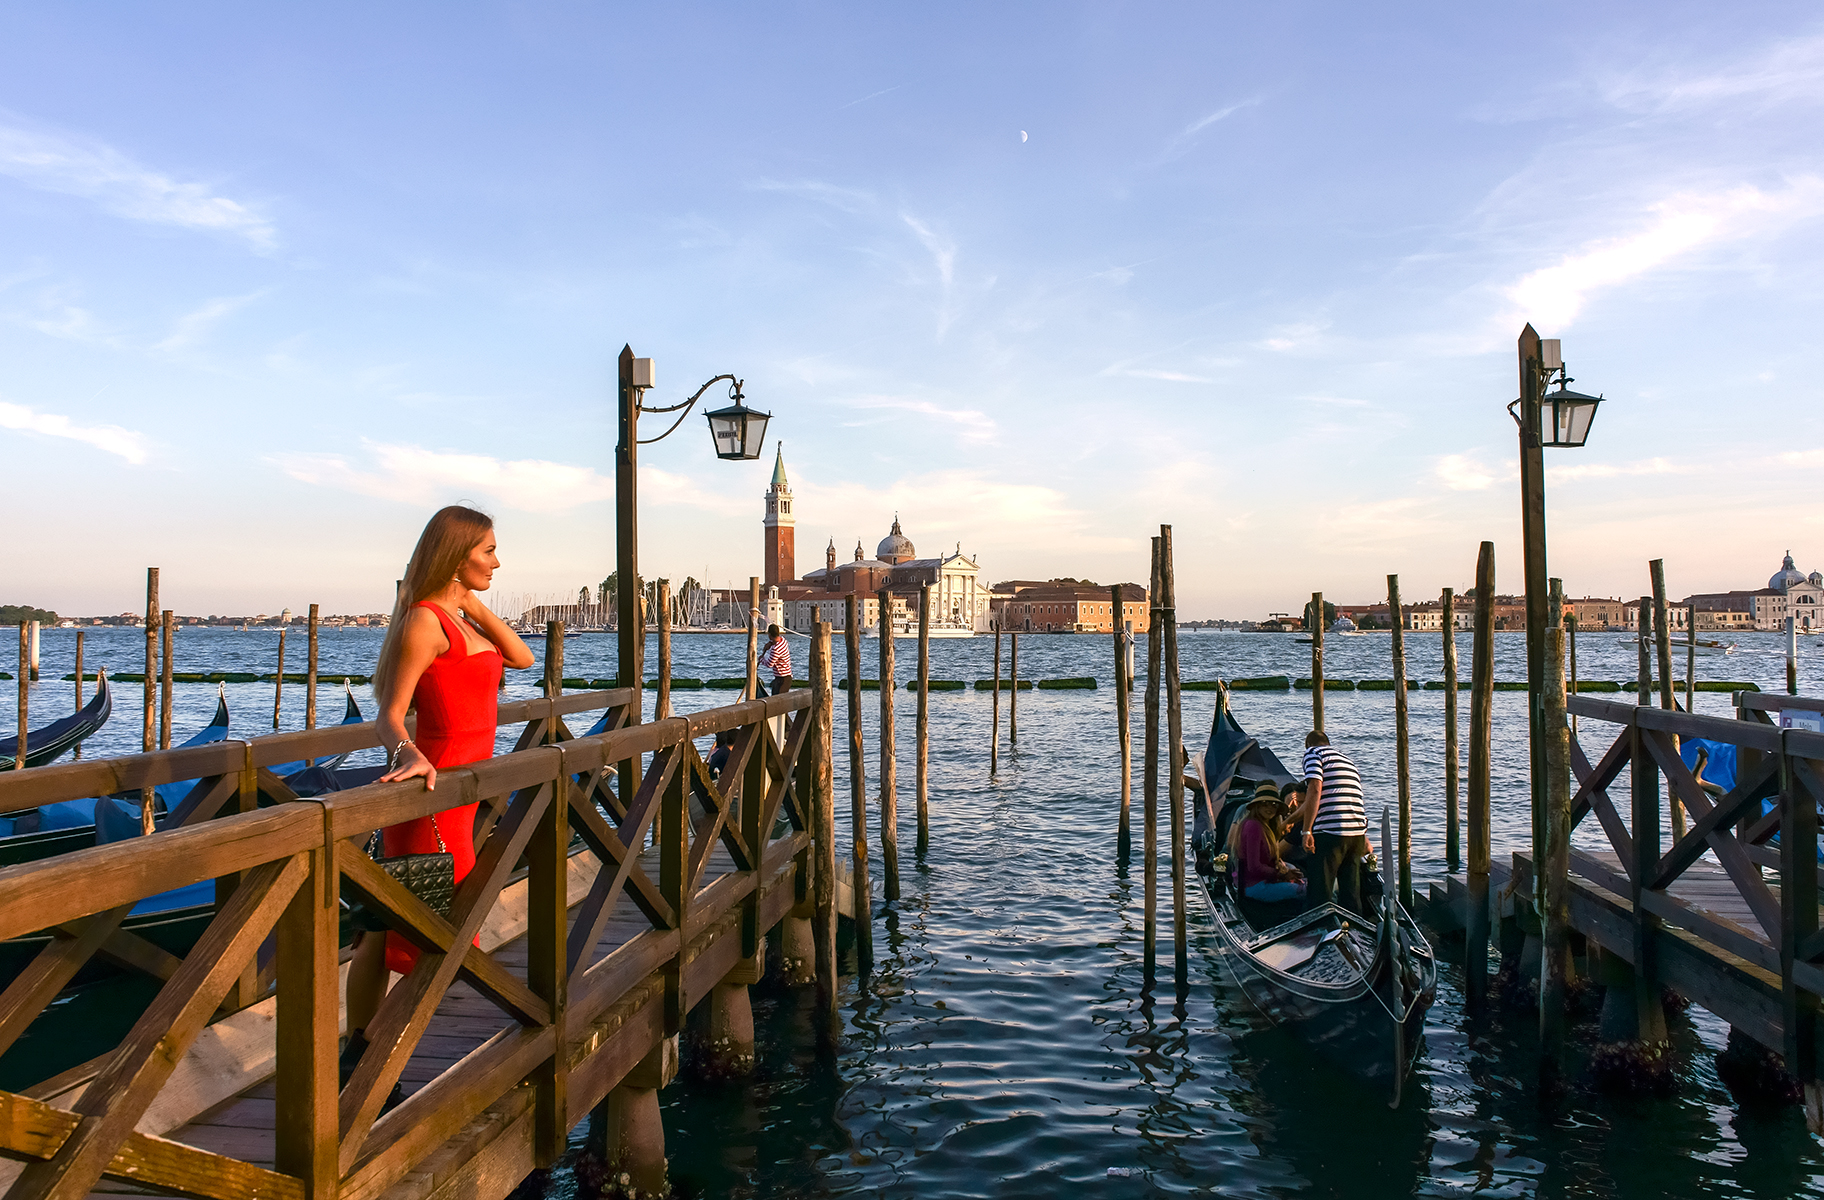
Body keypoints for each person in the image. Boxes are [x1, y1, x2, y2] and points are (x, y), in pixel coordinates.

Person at [342, 505, 534, 1093]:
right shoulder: (425, 621)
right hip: (430, 793)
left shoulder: (458, 618)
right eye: (487, 551)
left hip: (462, 796)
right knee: (429, 937)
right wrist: (409, 753)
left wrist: (469, 599)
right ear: (456, 555)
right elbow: (389, 714)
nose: (497, 562)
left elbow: (523, 658)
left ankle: (361, 1056)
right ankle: (370, 1060)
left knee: (395, 930)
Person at [1294, 730, 1369, 914]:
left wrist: (1307, 831)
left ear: (1308, 745)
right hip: (1356, 834)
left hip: (1330, 832)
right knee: (1351, 892)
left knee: (1320, 893)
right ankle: (1353, 926)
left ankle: (1320, 927)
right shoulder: (1347, 761)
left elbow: (1314, 789)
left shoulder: (1313, 753)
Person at [1231, 783, 1306, 903]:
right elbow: (1254, 867)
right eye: (1265, 803)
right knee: (1308, 890)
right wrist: (1281, 874)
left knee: (1298, 875)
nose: (1270, 808)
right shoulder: (1253, 826)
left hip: (1262, 880)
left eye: (1274, 805)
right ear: (1257, 806)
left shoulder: (1265, 826)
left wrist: (1286, 871)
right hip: (1254, 886)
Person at [762, 623, 791, 695]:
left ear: (769, 634)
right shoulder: (783, 640)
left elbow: (769, 664)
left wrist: (761, 659)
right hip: (786, 677)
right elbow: (775, 641)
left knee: (778, 699)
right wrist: (770, 643)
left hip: (782, 680)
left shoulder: (775, 649)